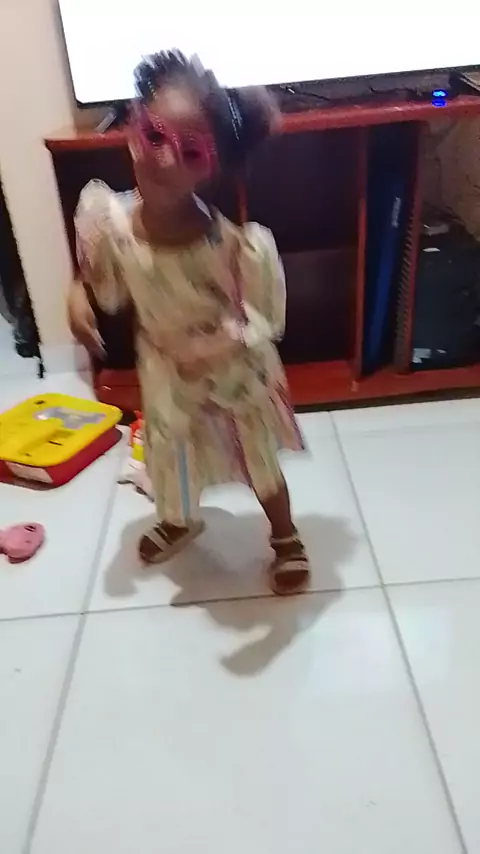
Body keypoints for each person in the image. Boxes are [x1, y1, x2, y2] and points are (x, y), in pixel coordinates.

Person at [68, 50, 310, 595]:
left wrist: (222, 341)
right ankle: (179, 517)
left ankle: (284, 533)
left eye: (191, 151)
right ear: (133, 128)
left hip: (230, 372)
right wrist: (77, 293)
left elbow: (265, 316)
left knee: (256, 458)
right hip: (166, 376)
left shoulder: (231, 247)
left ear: (211, 166)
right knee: (170, 453)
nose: (165, 159)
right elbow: (102, 282)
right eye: (155, 135)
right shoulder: (109, 221)